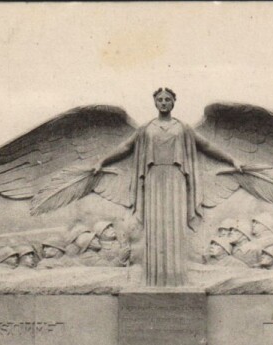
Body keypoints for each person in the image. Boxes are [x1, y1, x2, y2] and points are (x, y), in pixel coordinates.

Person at [93, 88, 243, 286]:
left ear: (174, 102)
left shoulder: (183, 128)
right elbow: (125, 147)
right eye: (160, 100)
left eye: (167, 100)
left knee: (174, 227)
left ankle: (176, 278)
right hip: (153, 180)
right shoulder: (146, 129)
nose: (164, 103)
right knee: (154, 226)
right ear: (155, 103)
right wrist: (103, 161)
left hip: (176, 180)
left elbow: (206, 146)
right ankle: (152, 279)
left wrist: (231, 159)